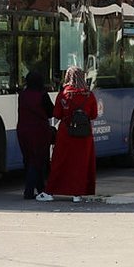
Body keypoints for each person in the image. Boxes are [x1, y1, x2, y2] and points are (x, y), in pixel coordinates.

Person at [36, 66, 98, 203]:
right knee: (80, 164)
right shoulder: (89, 95)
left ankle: (50, 192)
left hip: (66, 134)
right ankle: (77, 194)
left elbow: (57, 114)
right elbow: (93, 115)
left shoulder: (64, 94)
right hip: (84, 135)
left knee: (60, 162)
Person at [17, 71, 54, 200]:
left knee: (28, 158)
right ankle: (29, 191)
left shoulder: (22, 95)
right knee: (38, 160)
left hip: (22, 130)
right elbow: (51, 112)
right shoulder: (42, 95)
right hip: (39, 131)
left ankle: (40, 188)